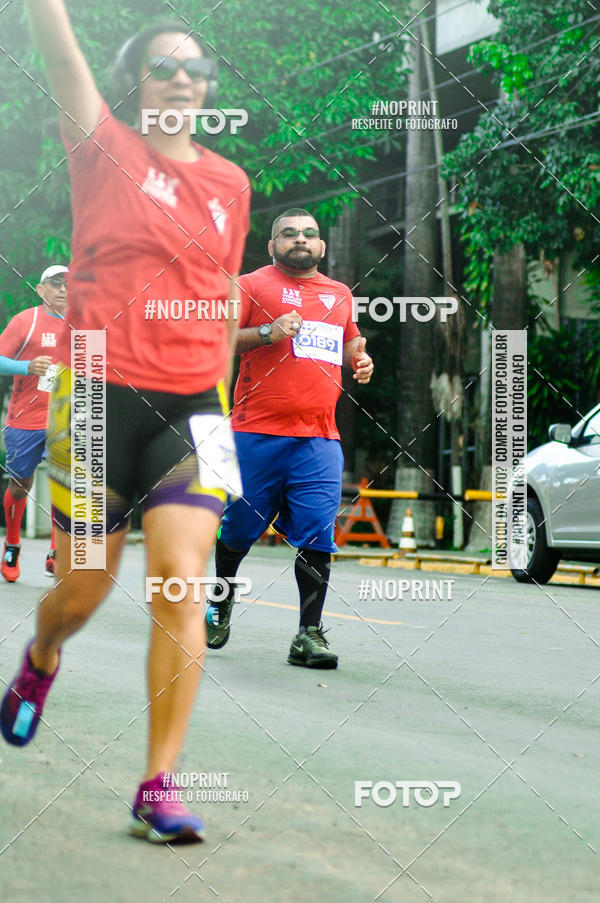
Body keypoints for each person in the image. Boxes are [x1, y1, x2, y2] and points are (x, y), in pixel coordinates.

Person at [1, 3, 250, 846]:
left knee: (182, 580)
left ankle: (157, 784)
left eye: (193, 67)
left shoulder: (231, 184)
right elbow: (55, 44)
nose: (180, 76)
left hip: (197, 406)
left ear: (208, 87)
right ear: (135, 83)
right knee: (83, 590)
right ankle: (40, 658)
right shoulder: (101, 144)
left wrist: (219, 400)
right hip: (98, 391)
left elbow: (222, 299)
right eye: (163, 65)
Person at [206, 208, 374, 668]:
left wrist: (359, 358)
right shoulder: (250, 285)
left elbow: (348, 342)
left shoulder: (339, 294)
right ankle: (220, 598)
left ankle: (308, 634)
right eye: (289, 234)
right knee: (239, 529)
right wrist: (267, 331)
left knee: (319, 533)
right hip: (255, 433)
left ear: (321, 246)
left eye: (309, 234)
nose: (300, 240)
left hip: (319, 437)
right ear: (272, 244)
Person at [0, 264, 68, 581]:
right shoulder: (26, 321)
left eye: (69, 284)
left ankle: (56, 554)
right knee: (20, 485)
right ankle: (12, 543)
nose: (65, 289)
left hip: (66, 420)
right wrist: (26, 366)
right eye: (56, 284)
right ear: (41, 290)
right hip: (24, 419)